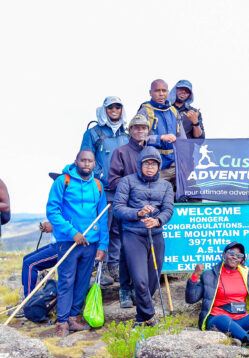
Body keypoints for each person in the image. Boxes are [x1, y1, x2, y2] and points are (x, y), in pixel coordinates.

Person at [46, 150, 108, 337]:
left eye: (90, 161)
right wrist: (72, 232)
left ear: (94, 164)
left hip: (91, 243)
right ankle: (62, 322)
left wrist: (103, 245)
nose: (86, 164)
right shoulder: (62, 182)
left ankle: (73, 317)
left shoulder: (98, 185)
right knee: (66, 281)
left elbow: (102, 216)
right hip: (68, 242)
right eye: (83, 160)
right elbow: (52, 211)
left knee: (82, 282)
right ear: (76, 161)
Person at [113, 146, 174, 327]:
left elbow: (169, 209)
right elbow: (118, 208)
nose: (149, 167)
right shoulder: (127, 181)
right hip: (133, 236)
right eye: (146, 163)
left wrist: (157, 221)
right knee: (140, 280)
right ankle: (151, 318)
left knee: (152, 282)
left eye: (153, 164)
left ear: (158, 166)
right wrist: (138, 213)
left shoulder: (166, 185)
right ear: (140, 165)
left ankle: (141, 319)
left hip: (155, 235)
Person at [185, 242, 249, 345]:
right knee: (224, 319)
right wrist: (195, 275)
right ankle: (248, 338)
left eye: (239, 255)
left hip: (242, 319)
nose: (235, 257)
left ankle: (246, 337)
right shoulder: (209, 275)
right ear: (224, 255)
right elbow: (191, 299)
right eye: (231, 253)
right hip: (217, 318)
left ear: (241, 259)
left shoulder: (247, 275)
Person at [81, 96, 130, 286]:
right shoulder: (94, 133)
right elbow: (86, 160)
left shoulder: (127, 133)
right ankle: (100, 266)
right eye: (111, 107)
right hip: (102, 189)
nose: (115, 110)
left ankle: (114, 265)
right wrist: (101, 177)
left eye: (118, 106)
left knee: (119, 227)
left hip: (123, 190)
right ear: (105, 110)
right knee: (104, 226)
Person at [108, 114, 151, 308]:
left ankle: (138, 289)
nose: (140, 131)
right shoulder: (121, 152)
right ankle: (124, 289)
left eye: (143, 128)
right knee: (126, 251)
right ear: (130, 130)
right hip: (127, 208)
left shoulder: (151, 151)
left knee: (143, 252)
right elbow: (113, 180)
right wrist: (131, 187)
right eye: (136, 128)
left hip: (148, 209)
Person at [137, 79, 180, 186]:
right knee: (155, 196)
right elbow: (138, 137)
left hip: (175, 164)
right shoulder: (145, 111)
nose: (161, 94)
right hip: (154, 165)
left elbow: (182, 138)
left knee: (186, 194)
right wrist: (160, 138)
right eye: (157, 91)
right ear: (150, 92)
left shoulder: (173, 111)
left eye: (164, 91)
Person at [21, 222, 58, 297]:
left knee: (29, 264)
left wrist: (54, 226)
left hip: (62, 245)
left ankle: (28, 301)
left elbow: (71, 222)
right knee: (26, 259)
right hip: (54, 244)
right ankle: (28, 292)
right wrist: (48, 226)